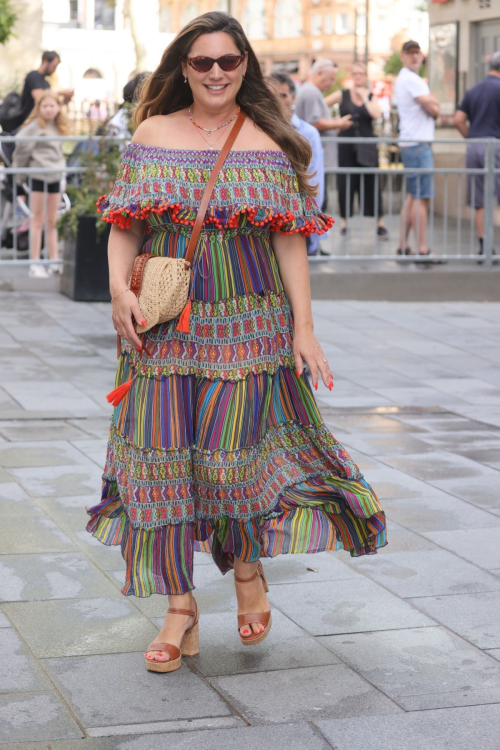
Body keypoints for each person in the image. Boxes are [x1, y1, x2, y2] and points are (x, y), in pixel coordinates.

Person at [86, 11, 386, 673]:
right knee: (161, 465)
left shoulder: (268, 143)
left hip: (249, 325)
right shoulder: (152, 133)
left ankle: (247, 572)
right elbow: (123, 225)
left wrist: (304, 330)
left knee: (229, 462)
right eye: (202, 63)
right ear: (183, 69)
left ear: (244, 66)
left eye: (228, 61)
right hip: (163, 325)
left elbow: (289, 239)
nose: (216, 73)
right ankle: (179, 606)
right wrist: (118, 292)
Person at [267, 70, 325, 256]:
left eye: (283, 95)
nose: (278, 100)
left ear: (292, 98)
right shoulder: (259, 131)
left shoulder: (308, 133)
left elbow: (316, 179)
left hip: (298, 218)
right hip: (268, 219)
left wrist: (310, 218)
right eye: (272, 96)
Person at [328, 62, 388, 239]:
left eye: (361, 73)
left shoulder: (370, 96)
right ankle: (344, 222)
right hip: (346, 145)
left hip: (367, 147)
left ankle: (379, 223)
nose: (358, 76)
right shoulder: (343, 94)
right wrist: (334, 124)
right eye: (355, 73)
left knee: (372, 182)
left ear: (366, 77)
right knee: (346, 182)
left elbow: (376, 114)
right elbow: (322, 104)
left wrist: (365, 96)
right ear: (351, 76)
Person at [12, 91, 67, 278]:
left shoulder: (58, 126)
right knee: (37, 219)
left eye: (52, 106)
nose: (49, 109)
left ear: (58, 107)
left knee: (52, 221)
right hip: (38, 177)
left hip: (55, 177)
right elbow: (20, 148)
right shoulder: (35, 127)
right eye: (45, 106)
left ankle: (53, 260)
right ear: (39, 108)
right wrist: (19, 177)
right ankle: (34, 262)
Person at [394, 40, 440, 259]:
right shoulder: (412, 80)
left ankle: (403, 244)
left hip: (411, 143)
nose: (414, 56)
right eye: (410, 53)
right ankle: (421, 246)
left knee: (413, 196)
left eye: (417, 53)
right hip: (418, 144)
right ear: (403, 56)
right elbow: (433, 108)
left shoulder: (405, 78)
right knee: (421, 197)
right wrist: (434, 103)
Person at [453, 50, 500, 259]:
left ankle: (484, 246)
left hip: (475, 146)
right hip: (496, 146)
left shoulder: (473, 90)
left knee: (480, 200)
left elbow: (458, 119)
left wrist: (472, 137)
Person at [295, 59, 353, 205]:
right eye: (331, 78)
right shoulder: (311, 92)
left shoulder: (310, 91)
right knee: (318, 202)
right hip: (315, 158)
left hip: (315, 157)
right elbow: (314, 122)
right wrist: (338, 123)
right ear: (320, 73)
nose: (332, 83)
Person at [19, 51, 73, 126]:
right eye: (53, 66)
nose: (54, 69)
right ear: (45, 62)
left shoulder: (46, 83)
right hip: (30, 123)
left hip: (41, 123)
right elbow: (40, 98)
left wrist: (64, 101)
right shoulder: (33, 76)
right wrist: (60, 92)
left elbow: (49, 105)